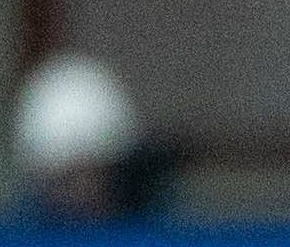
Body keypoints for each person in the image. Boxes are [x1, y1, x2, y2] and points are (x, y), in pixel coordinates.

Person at [14, 54, 179, 226]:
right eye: (68, 179)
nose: (81, 190)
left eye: (93, 174)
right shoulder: (15, 241)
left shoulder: (157, 238)